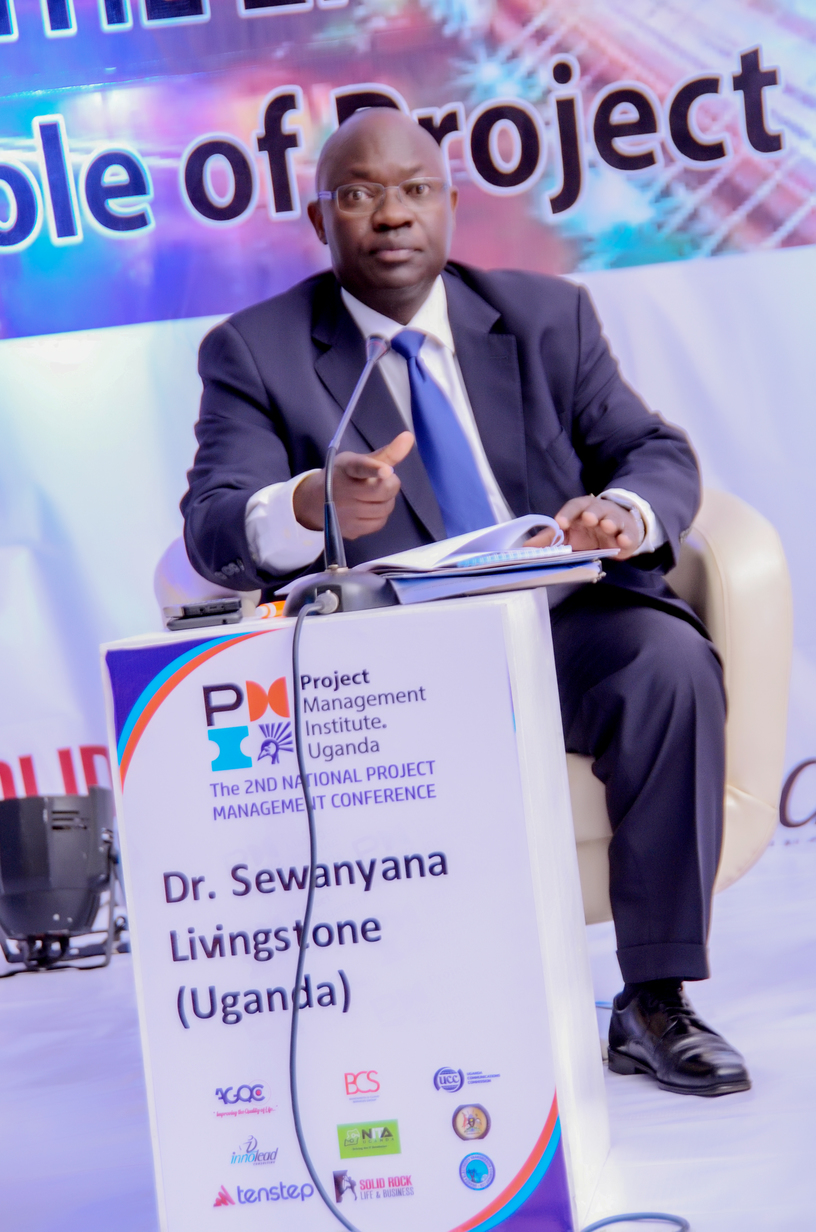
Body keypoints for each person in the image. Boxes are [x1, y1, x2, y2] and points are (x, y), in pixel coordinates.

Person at [182, 107, 750, 1097]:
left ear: (449, 204)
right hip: (393, 662)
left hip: (563, 627)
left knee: (668, 663)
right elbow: (213, 523)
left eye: (415, 190)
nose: (391, 214)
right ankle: (404, 1023)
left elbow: (651, 449)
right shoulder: (255, 350)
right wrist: (310, 504)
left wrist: (619, 512)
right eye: (359, 194)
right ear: (320, 220)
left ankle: (655, 998)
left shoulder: (545, 314)